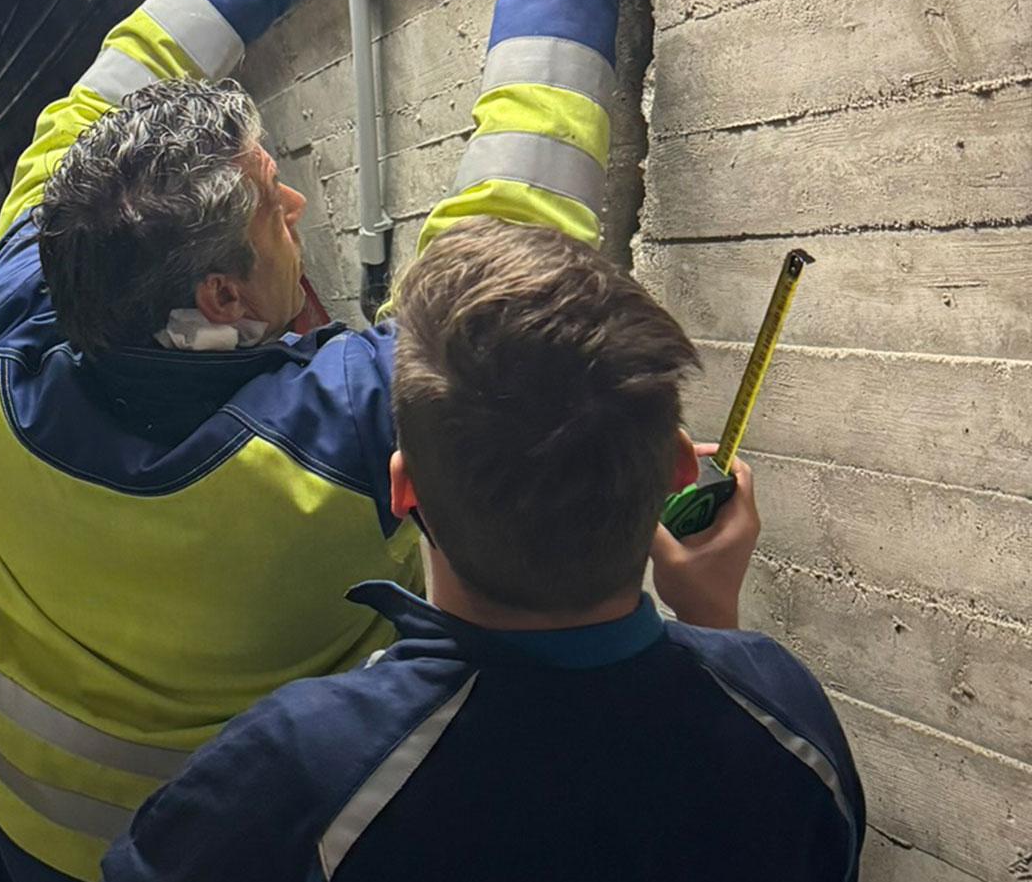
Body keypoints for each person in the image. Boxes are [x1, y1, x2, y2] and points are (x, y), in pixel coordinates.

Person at [0, 0, 625, 881]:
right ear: (221, 293)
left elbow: (94, 102)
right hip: (206, 857)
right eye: (273, 204)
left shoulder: (8, 336)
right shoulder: (326, 442)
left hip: (8, 836)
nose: (297, 204)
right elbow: (508, 264)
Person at [103, 218, 867, 881]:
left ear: (403, 490)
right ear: (676, 467)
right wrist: (712, 622)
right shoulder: (787, 715)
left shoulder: (301, 763)